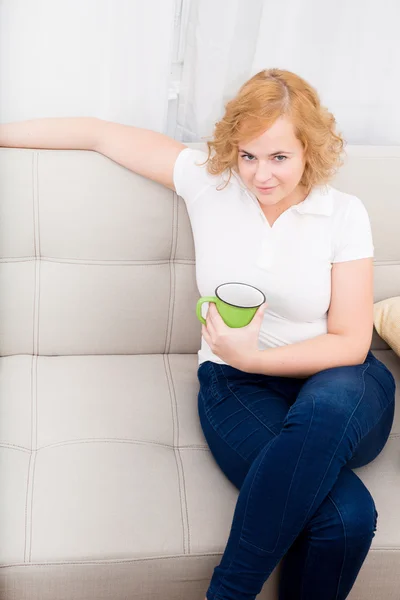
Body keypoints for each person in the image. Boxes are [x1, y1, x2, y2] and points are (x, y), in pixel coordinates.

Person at [0, 68, 396, 600]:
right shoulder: (208, 183)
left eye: (279, 157)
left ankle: (227, 593)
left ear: (309, 149)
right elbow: (97, 133)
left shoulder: (343, 213)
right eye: (248, 155)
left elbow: (349, 342)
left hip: (338, 382)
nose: (260, 175)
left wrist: (253, 357)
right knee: (346, 518)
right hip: (236, 389)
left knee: (330, 402)